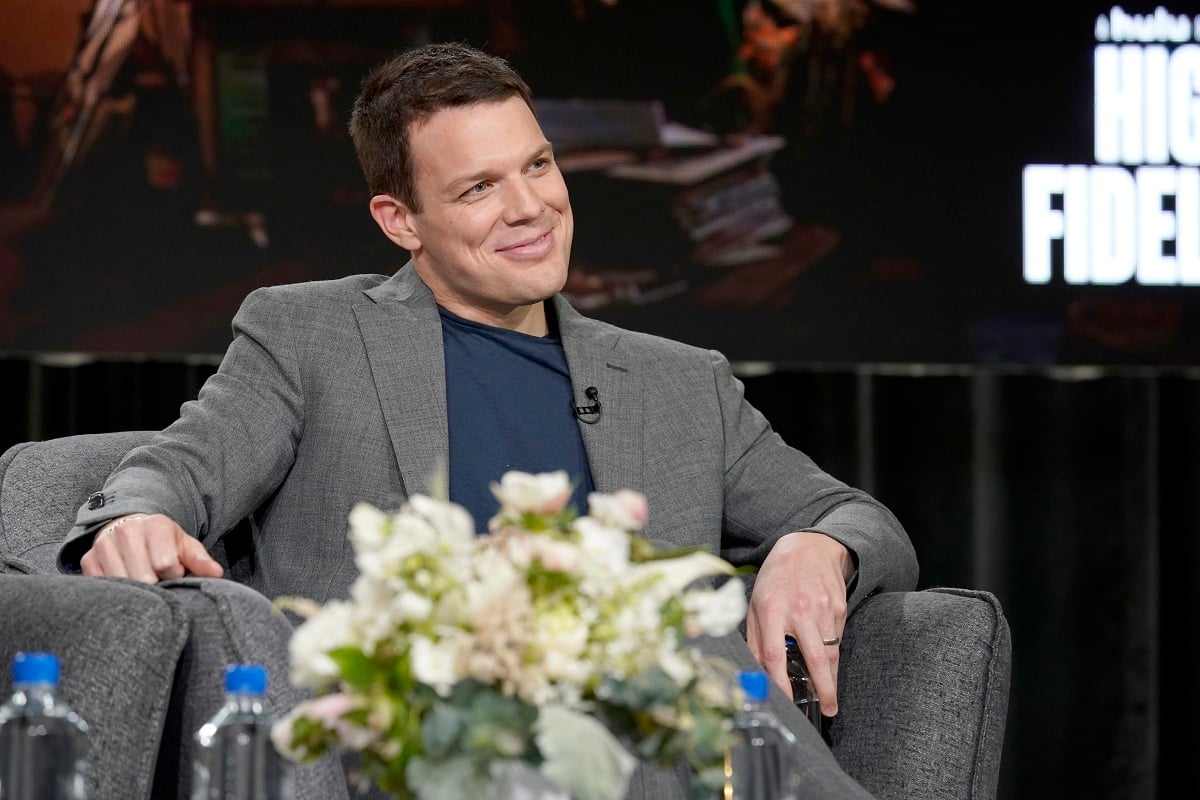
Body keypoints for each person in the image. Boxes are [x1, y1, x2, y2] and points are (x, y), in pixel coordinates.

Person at [58, 41, 918, 799]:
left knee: (666, 624)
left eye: (538, 166)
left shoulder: (679, 384)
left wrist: (820, 546)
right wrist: (139, 513)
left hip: (631, 758)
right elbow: (184, 463)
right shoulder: (312, 336)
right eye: (478, 188)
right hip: (410, 753)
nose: (530, 208)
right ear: (401, 221)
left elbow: (854, 516)